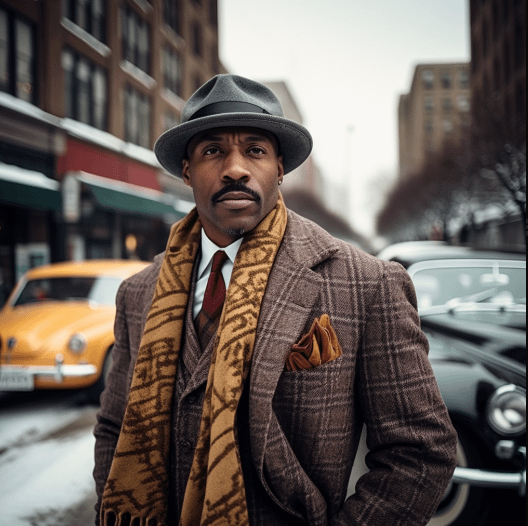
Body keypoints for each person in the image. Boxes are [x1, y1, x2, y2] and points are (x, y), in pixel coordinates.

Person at [93, 74, 457, 526]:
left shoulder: (368, 284)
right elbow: (113, 427)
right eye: (212, 151)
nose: (235, 168)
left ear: (280, 168)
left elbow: (420, 452)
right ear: (186, 169)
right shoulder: (138, 294)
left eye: (255, 150)